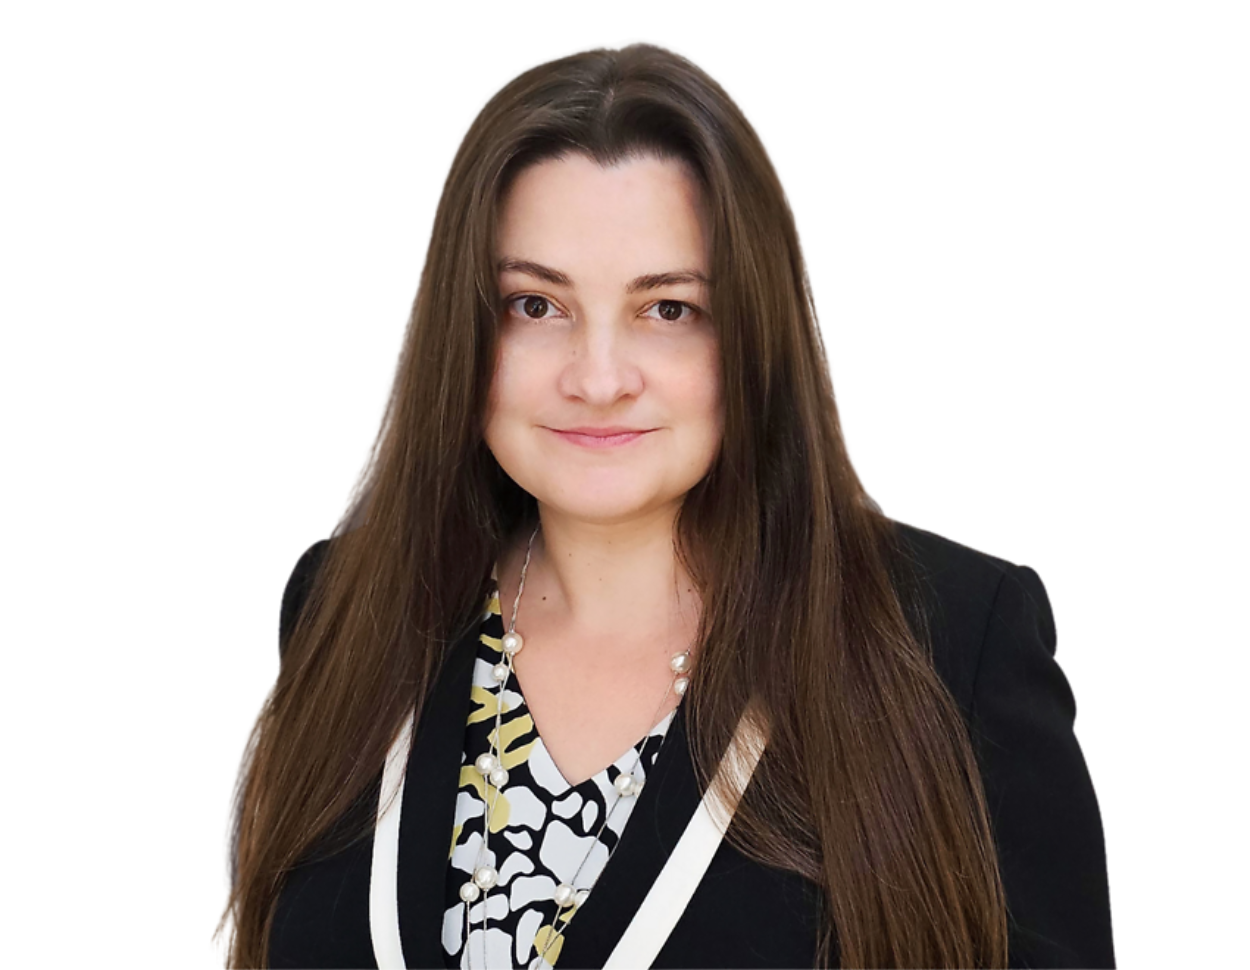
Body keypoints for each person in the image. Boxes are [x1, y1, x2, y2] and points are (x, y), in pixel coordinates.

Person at [214, 38, 1114, 969]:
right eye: (535, 305)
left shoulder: (952, 642)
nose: (599, 379)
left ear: (752, 334)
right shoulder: (346, 604)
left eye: (668, 309)